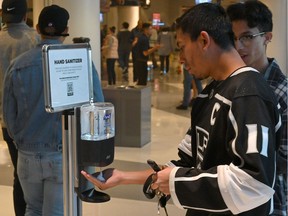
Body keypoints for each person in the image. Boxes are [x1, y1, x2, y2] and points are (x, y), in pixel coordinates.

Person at [82, 3, 282, 215]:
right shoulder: (209, 93)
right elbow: (188, 162)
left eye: (182, 47)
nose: (181, 58)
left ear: (204, 40)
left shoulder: (249, 93)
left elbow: (254, 183)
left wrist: (177, 182)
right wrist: (123, 176)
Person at [2, 5, 104, 215]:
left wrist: (20, 140)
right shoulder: (80, 60)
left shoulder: (18, 65)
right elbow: (97, 108)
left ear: (37, 27)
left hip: (27, 154)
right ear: (66, 29)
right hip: (61, 153)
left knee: (32, 208)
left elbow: (8, 114)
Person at [227, 2, 288, 215]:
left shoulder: (281, 92)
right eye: (233, 38)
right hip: (228, 196)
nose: (238, 46)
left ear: (267, 37)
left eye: (247, 37)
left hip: (268, 201)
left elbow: (284, 158)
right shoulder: (228, 84)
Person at [0, 0, 40, 215]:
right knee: (40, 176)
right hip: (35, 119)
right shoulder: (35, 39)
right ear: (26, 15)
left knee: (19, 174)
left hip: (7, 121)